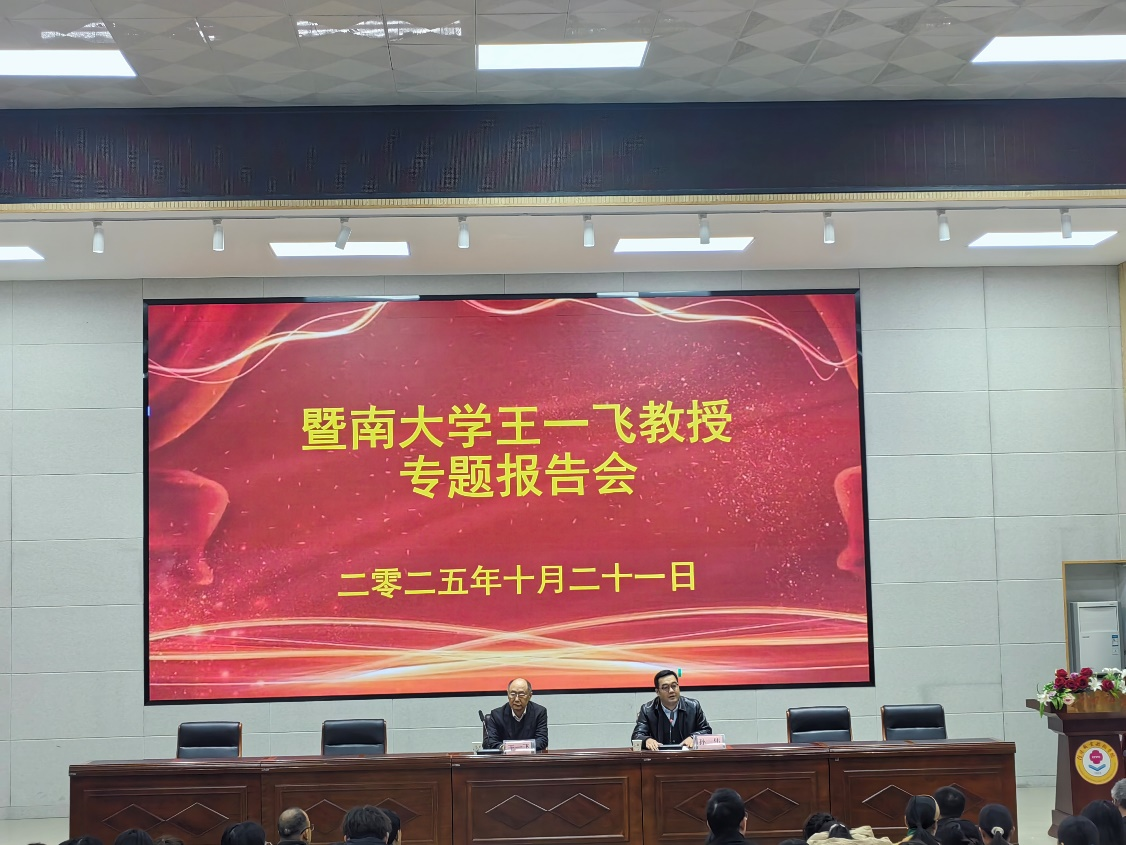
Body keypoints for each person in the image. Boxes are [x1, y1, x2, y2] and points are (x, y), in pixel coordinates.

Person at [632, 669, 712, 750]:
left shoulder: (693, 707)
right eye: (665, 687)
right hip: (659, 756)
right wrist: (647, 740)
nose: (671, 691)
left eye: (674, 686)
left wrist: (693, 737)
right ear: (657, 691)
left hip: (687, 755)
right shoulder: (647, 710)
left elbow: (707, 731)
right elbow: (637, 736)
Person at [483, 677, 548, 751]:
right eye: (513, 694)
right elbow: (489, 742)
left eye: (521, 694)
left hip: (530, 757)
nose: (516, 699)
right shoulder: (497, 715)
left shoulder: (539, 712)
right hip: (505, 757)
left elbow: (542, 740)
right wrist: (503, 748)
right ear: (508, 694)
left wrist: (518, 748)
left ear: (530, 696)